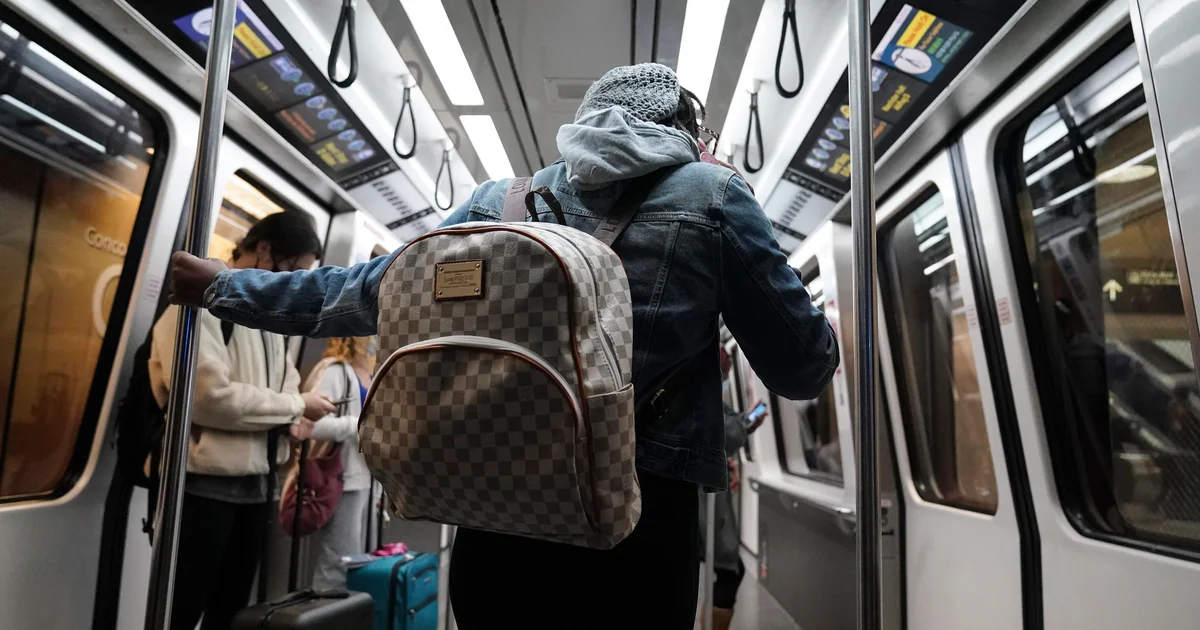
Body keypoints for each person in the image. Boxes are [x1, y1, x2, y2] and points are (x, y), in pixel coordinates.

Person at [166, 63, 838, 629]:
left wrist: (224, 285)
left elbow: (364, 293)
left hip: (496, 512)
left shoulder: (499, 200)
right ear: (684, 128)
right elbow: (801, 368)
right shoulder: (713, 195)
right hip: (637, 524)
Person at [148, 211, 335, 630]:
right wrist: (292, 409)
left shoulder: (267, 322)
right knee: (180, 609)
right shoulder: (197, 308)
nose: (291, 285)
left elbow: (288, 385)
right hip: (203, 487)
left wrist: (292, 412)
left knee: (231, 613)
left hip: (257, 486)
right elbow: (209, 398)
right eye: (293, 271)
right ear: (264, 250)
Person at [296, 336, 377, 590]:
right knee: (338, 562)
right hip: (341, 478)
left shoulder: (372, 373)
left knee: (359, 563)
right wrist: (357, 426)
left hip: (367, 478)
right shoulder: (335, 370)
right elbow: (310, 424)